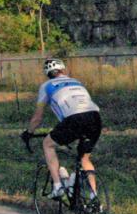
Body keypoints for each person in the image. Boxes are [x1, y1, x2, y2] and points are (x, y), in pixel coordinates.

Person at [22, 58, 101, 199]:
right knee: (84, 158)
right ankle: (94, 197)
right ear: (63, 70)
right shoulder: (77, 81)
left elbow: (37, 118)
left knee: (47, 144)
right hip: (95, 117)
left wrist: (29, 133)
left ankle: (58, 186)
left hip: (74, 119)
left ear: (47, 74)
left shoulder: (46, 86)